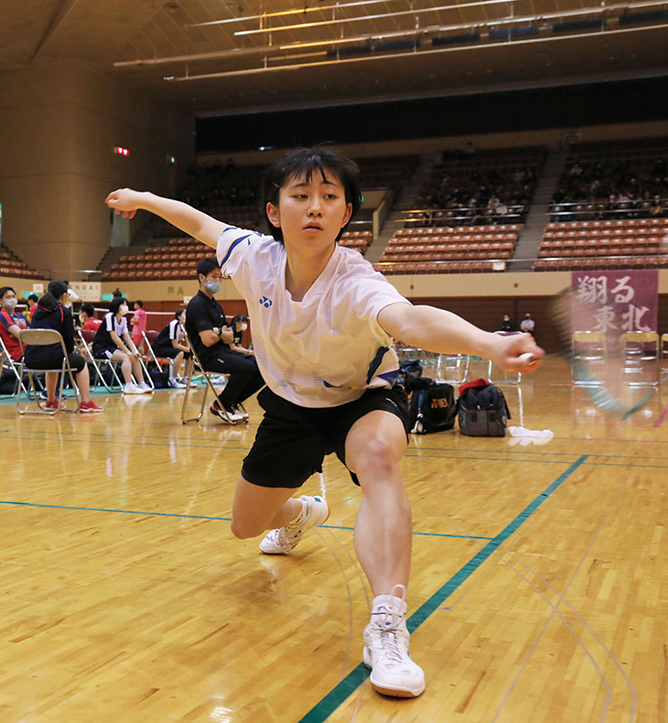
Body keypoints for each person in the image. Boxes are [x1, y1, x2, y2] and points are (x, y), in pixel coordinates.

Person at [106, 146, 542, 699]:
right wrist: (143, 199)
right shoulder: (249, 255)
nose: (315, 207)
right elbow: (194, 219)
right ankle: (304, 512)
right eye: (301, 196)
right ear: (274, 211)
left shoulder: (356, 279)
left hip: (361, 399)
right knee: (246, 526)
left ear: (345, 213)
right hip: (288, 407)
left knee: (381, 457)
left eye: (329, 197)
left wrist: (486, 343)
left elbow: (409, 318)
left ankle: (387, 623)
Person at [183, 257, 264, 423]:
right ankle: (222, 405)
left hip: (223, 352)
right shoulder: (197, 304)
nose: (218, 280)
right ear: (201, 278)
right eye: (214, 276)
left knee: (262, 367)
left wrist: (218, 332)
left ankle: (230, 402)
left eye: (220, 277)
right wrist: (222, 333)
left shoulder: (216, 305)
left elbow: (230, 337)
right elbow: (207, 340)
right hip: (207, 356)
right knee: (247, 368)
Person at [24, 280, 103, 413]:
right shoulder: (63, 311)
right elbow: (68, 340)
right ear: (65, 296)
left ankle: (51, 401)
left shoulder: (37, 311)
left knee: (52, 363)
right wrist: (69, 350)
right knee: (80, 362)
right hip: (54, 358)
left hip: (31, 359)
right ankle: (85, 402)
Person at [91, 296, 150, 394]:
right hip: (101, 349)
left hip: (113, 348)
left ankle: (141, 383)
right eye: (123, 304)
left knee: (134, 357)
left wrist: (134, 351)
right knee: (126, 357)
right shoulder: (110, 316)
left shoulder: (123, 320)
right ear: (116, 306)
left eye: (126, 304)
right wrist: (127, 351)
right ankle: (129, 385)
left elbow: (126, 337)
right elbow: (114, 336)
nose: (125, 306)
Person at [152, 307, 190, 388]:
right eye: (185, 313)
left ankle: (186, 379)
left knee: (191, 355)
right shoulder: (174, 324)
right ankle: (173, 380)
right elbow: (175, 345)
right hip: (160, 348)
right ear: (179, 317)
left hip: (170, 348)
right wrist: (188, 349)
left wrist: (190, 350)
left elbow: (188, 341)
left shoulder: (186, 326)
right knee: (180, 353)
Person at [0, 286, 29, 363]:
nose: (12, 299)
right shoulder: (2, 315)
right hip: (20, 353)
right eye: (8, 297)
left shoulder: (20, 316)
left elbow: (33, 330)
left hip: (30, 348)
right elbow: (21, 335)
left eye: (13, 296)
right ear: (0, 301)